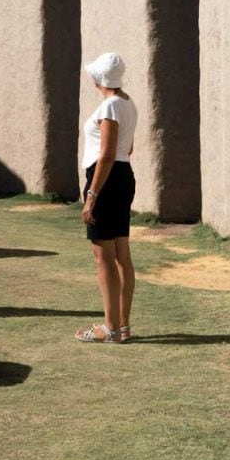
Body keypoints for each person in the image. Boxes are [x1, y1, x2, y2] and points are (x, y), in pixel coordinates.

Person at [76, 52, 139, 344]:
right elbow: (128, 148)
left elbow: (107, 153)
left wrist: (92, 195)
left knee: (103, 256)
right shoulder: (127, 104)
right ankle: (121, 326)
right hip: (122, 176)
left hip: (108, 180)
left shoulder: (111, 106)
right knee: (121, 255)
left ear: (100, 78)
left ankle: (110, 327)